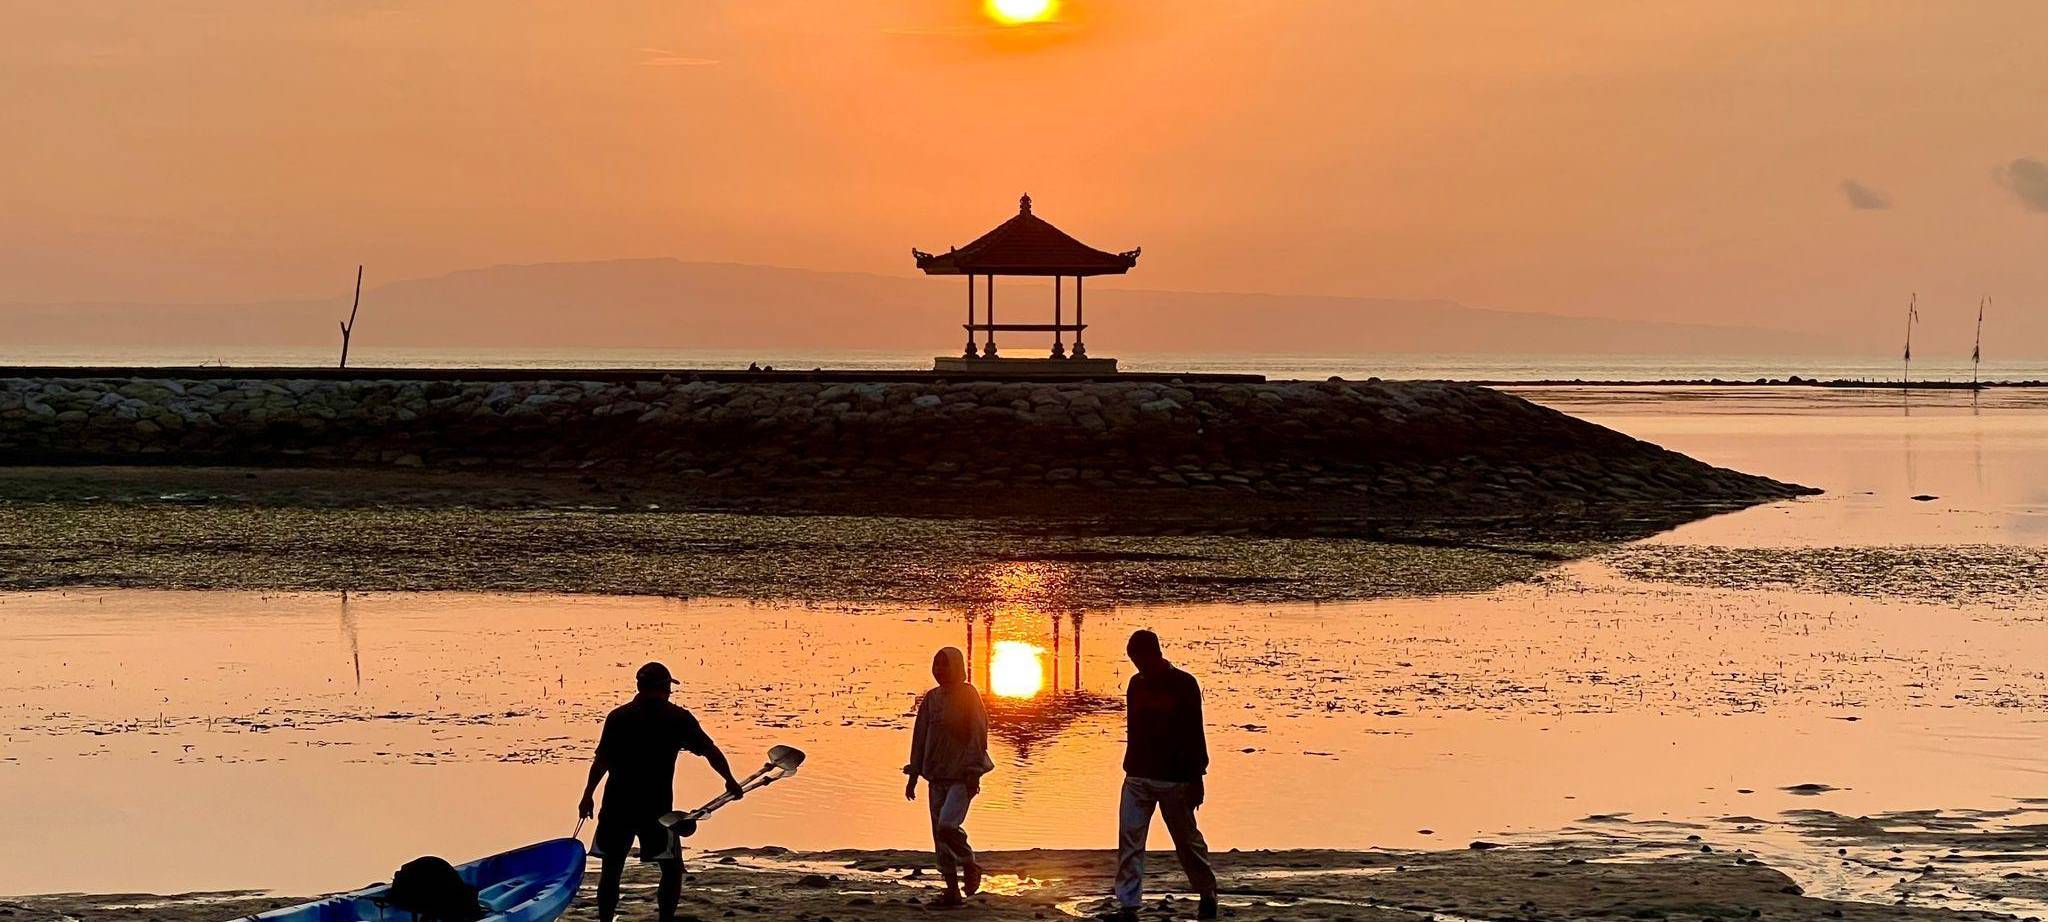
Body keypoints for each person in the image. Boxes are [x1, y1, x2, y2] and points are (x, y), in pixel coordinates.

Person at [579, 662, 746, 922]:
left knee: (611, 870)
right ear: (665, 687)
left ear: (639, 687)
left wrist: (588, 794)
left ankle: (604, 921)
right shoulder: (677, 718)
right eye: (668, 686)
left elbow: (602, 760)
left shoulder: (618, 717)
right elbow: (710, 751)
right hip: (657, 810)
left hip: (616, 806)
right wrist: (730, 781)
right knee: (671, 869)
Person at [1113, 630, 1218, 921]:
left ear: (1154, 654)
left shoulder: (1184, 684)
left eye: (1140, 659)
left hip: (1175, 778)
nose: (1137, 666)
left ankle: (1207, 890)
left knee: (1186, 841)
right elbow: (1132, 730)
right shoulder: (1135, 685)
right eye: (1134, 660)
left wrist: (1198, 776)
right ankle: (1129, 904)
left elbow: (1195, 733)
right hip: (1137, 775)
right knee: (1130, 839)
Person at [904, 646, 994, 909]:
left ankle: (969, 862)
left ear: (957, 667)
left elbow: (979, 733)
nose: (939, 671)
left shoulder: (968, 695)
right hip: (936, 775)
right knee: (939, 835)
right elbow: (919, 738)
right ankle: (952, 890)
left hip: (962, 776)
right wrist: (914, 774)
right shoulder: (931, 699)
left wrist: (973, 772)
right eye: (935, 665)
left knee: (947, 826)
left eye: (944, 665)